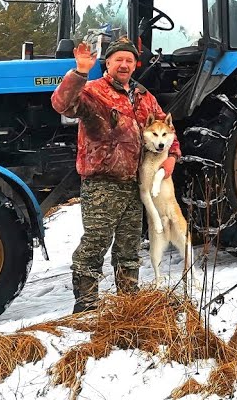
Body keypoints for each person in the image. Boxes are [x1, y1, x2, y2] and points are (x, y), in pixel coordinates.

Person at [51, 37, 181, 312]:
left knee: (129, 248)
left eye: (129, 60)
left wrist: (171, 157)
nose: (124, 64)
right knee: (96, 243)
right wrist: (79, 72)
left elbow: (168, 131)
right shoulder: (93, 91)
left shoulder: (145, 97)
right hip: (102, 184)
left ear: (136, 65)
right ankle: (86, 307)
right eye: (118, 59)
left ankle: (128, 305)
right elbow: (62, 104)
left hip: (135, 184)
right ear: (107, 63)